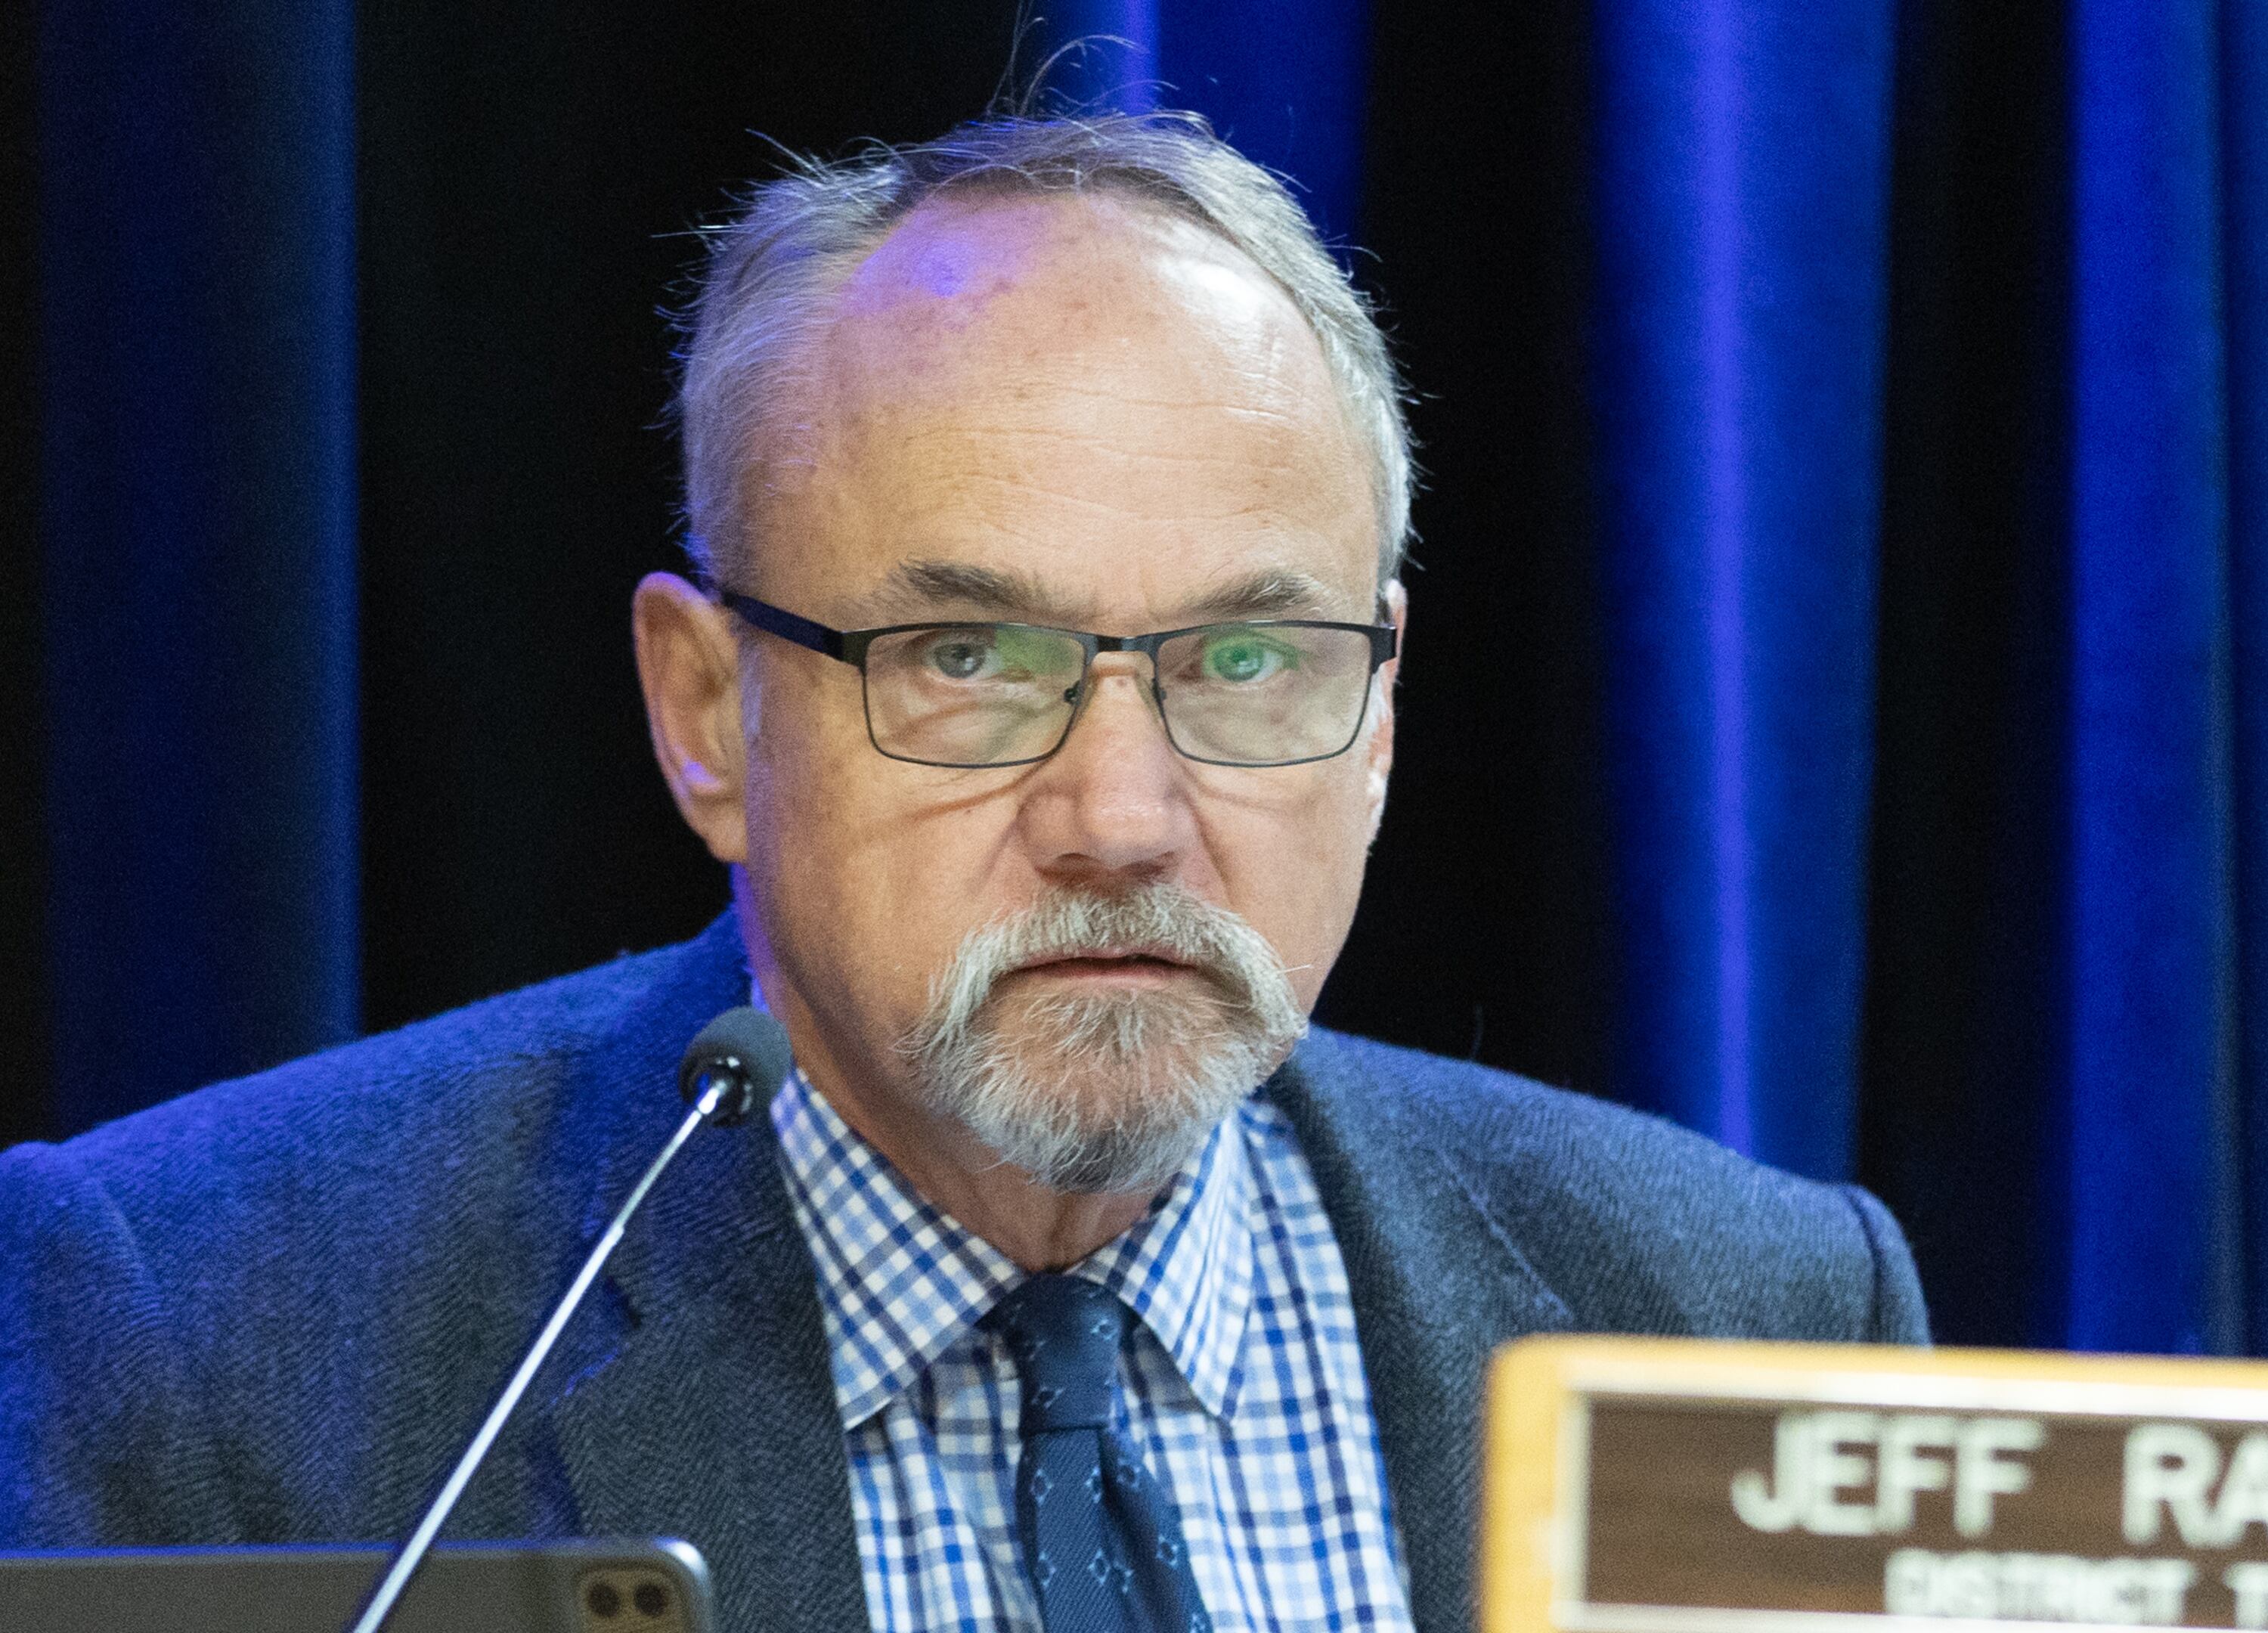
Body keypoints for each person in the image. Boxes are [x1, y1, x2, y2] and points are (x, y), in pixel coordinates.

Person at [0, 112, 1926, 1633]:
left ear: (1387, 709)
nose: (1121, 816)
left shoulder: (1742, 1322)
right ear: (702, 713)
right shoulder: (201, 1331)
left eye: (1247, 664)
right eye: (971, 663)